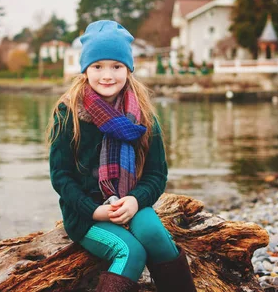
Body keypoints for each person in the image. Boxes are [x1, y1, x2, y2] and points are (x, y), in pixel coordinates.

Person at [47, 20, 196, 292]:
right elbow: (61, 176)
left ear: (128, 69)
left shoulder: (142, 116)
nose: (107, 75)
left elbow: (156, 174)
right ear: (85, 70)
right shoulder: (68, 114)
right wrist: (93, 209)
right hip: (86, 213)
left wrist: (136, 200)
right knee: (131, 251)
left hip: (130, 200)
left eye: (116, 66)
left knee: (154, 234)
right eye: (97, 66)